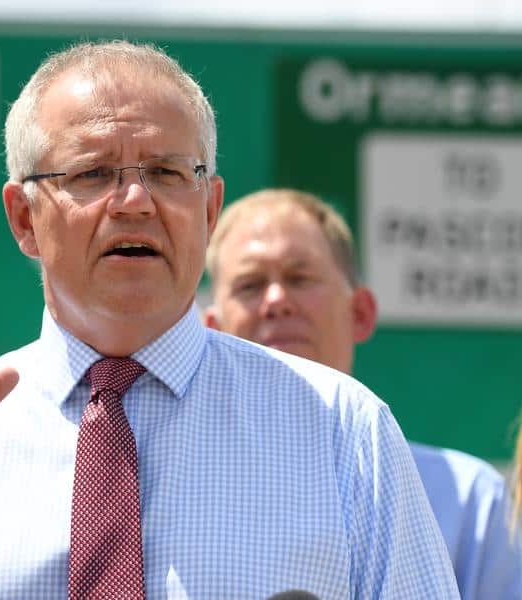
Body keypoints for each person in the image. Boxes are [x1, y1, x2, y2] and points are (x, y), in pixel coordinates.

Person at [0, 41, 458, 599]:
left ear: (209, 208)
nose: (135, 201)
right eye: (92, 173)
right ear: (22, 217)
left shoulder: (340, 429)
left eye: (170, 172)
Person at [203, 187, 522, 600]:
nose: (277, 300)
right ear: (212, 329)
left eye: (300, 278)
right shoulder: (180, 484)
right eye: (249, 285)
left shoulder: (470, 502)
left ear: (360, 313)